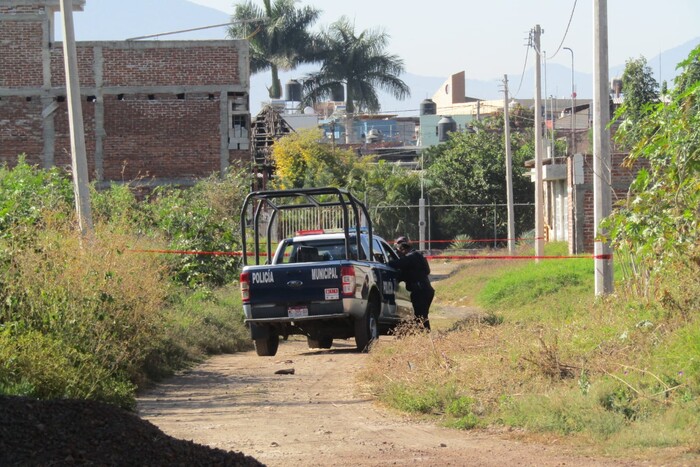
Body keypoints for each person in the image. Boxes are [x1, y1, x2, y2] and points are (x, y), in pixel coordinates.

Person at [388, 236, 434, 330]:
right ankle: (424, 335)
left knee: (421, 316)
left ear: (402, 248)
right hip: (425, 290)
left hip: (420, 291)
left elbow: (394, 264)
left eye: (399, 250)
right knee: (421, 316)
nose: (399, 253)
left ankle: (426, 337)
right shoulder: (417, 256)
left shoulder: (411, 257)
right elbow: (427, 271)